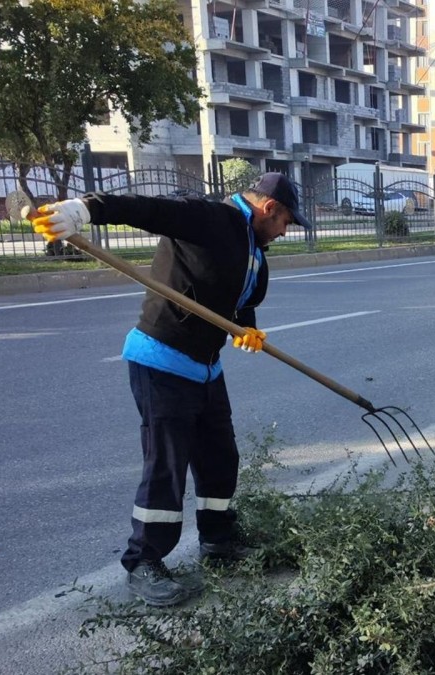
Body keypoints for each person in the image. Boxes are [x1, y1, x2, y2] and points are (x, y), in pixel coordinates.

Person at [29, 173, 310, 607]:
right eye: (286, 221)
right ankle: (144, 560)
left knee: (220, 457)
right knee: (167, 465)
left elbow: (237, 295)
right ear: (269, 208)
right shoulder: (209, 218)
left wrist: (246, 328)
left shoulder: (254, 246)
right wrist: (84, 209)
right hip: (162, 359)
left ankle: (218, 542)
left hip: (206, 367)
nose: (286, 231)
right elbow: (147, 210)